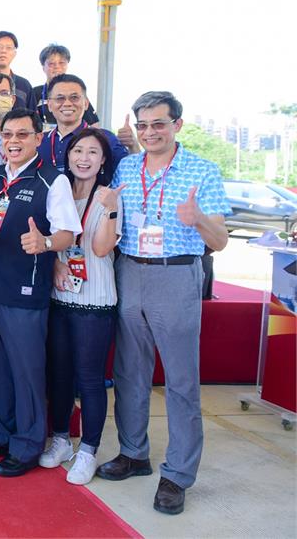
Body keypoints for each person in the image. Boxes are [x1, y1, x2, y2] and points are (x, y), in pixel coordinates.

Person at [97, 91, 230, 515]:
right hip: (130, 270)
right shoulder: (127, 166)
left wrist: (199, 220)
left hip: (176, 273)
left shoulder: (202, 171)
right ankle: (134, 453)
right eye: (143, 125)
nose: (150, 132)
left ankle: (177, 475)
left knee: (180, 382)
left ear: (178, 125)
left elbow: (221, 241)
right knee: (130, 372)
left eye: (159, 123)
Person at [0, 108, 81, 477]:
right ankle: (1, 434)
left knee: (26, 372)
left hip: (24, 291)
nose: (13, 142)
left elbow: (68, 233)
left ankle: (28, 445)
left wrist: (45, 242)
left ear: (38, 137)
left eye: (21, 135)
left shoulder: (52, 180)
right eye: (8, 135)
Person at [41, 128, 123, 485]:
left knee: (89, 379)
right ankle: (60, 438)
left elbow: (103, 248)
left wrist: (110, 211)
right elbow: (54, 242)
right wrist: (56, 263)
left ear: (103, 160)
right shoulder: (57, 190)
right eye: (78, 150)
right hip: (60, 296)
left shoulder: (109, 196)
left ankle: (89, 449)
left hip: (95, 299)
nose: (84, 158)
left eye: (93, 152)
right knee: (58, 373)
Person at [38, 74, 128, 173]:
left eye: (74, 97)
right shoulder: (38, 141)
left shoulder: (106, 138)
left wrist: (133, 147)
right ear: (49, 105)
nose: (67, 103)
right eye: (60, 98)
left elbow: (130, 174)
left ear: (86, 103)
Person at [28, 44, 99, 125]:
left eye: (61, 63)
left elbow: (94, 125)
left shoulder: (76, 92)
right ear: (43, 67)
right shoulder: (34, 93)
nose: (57, 67)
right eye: (51, 63)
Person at [0, 31, 33, 105]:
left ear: (14, 53)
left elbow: (32, 115)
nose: (3, 51)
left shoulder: (24, 85)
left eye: (9, 48)